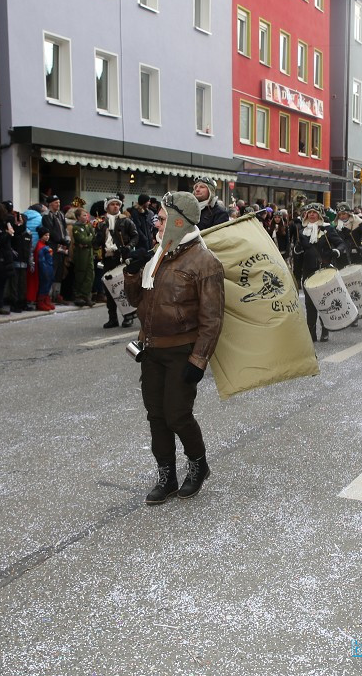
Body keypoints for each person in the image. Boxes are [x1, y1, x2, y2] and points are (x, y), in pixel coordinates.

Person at [123, 191, 225, 504]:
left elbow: (212, 319)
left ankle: (198, 464)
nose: (157, 222)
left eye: (164, 218)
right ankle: (166, 475)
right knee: (156, 415)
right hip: (151, 349)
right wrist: (132, 272)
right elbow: (138, 302)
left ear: (179, 221)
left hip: (182, 351)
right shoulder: (159, 254)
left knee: (177, 415)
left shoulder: (205, 262)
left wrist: (199, 360)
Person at [292, 203, 345, 342]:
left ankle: (325, 330)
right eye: (309, 213)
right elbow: (299, 253)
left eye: (314, 213)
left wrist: (336, 251)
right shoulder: (302, 232)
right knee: (310, 304)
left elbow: (341, 243)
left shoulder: (328, 230)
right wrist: (297, 252)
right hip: (308, 271)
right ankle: (311, 332)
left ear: (320, 215)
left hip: (324, 270)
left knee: (324, 301)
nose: (311, 215)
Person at [95, 197, 140, 328]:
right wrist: (98, 235)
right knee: (109, 289)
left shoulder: (126, 221)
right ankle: (112, 318)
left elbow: (135, 236)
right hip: (108, 259)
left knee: (123, 288)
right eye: (112, 204)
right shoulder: (101, 223)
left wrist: (129, 246)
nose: (115, 206)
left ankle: (128, 316)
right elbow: (96, 243)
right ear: (107, 207)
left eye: (117, 204)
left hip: (122, 258)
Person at [69, 208, 97, 307]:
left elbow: (93, 238)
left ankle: (86, 295)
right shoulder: (76, 227)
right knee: (81, 274)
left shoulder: (88, 225)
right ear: (78, 217)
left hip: (89, 253)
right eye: (84, 215)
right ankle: (78, 295)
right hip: (81, 254)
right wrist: (88, 239)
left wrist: (88, 240)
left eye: (86, 215)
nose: (86, 217)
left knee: (90, 274)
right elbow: (82, 240)